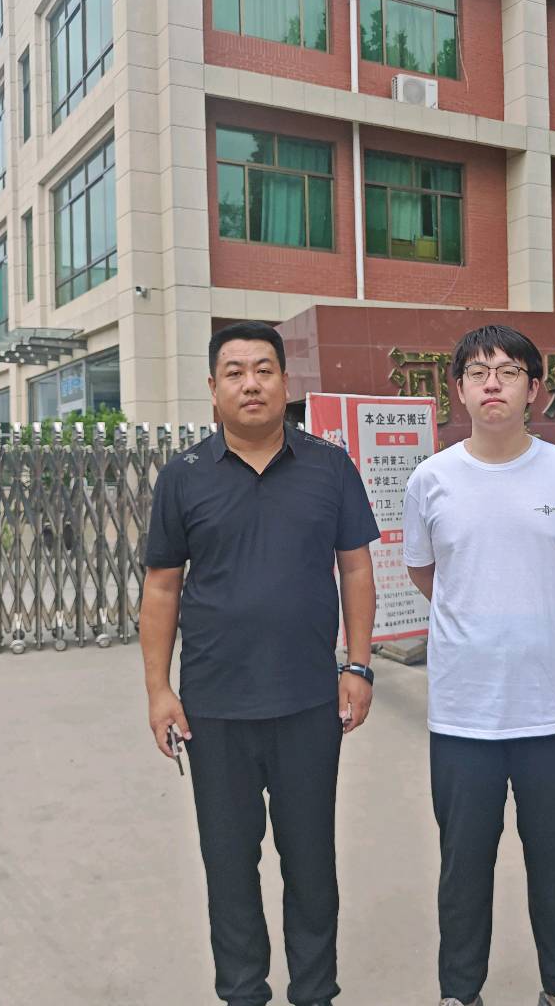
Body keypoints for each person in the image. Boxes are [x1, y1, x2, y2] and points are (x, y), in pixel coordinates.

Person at [139, 320, 379, 1006]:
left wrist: (358, 666)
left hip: (308, 701)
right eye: (236, 372)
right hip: (214, 707)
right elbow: (162, 587)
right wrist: (159, 691)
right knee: (228, 863)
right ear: (213, 388)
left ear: (285, 382)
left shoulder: (330, 467)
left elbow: (356, 568)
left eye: (264, 369)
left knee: (311, 862)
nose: (251, 384)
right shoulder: (183, 476)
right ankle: (243, 993)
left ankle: (315, 992)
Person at [404, 324, 555, 1006]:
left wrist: (539, 609)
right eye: (477, 372)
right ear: (459, 390)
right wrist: (482, 615)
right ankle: (459, 990)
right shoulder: (432, 479)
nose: (492, 383)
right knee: (463, 863)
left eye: (507, 371)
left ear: (535, 389)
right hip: (463, 714)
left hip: (551, 710)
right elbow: (425, 572)